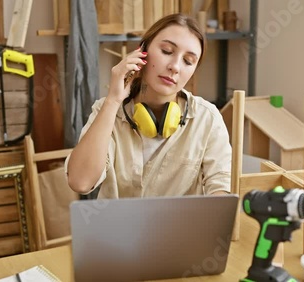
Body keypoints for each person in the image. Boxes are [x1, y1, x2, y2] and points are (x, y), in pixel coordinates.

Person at [65, 13, 232, 199]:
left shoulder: (207, 118)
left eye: (188, 61)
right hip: (118, 228)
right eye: (167, 51)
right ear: (142, 52)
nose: (175, 66)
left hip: (181, 228)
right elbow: (80, 182)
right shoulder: (107, 110)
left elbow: (221, 190)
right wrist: (112, 101)